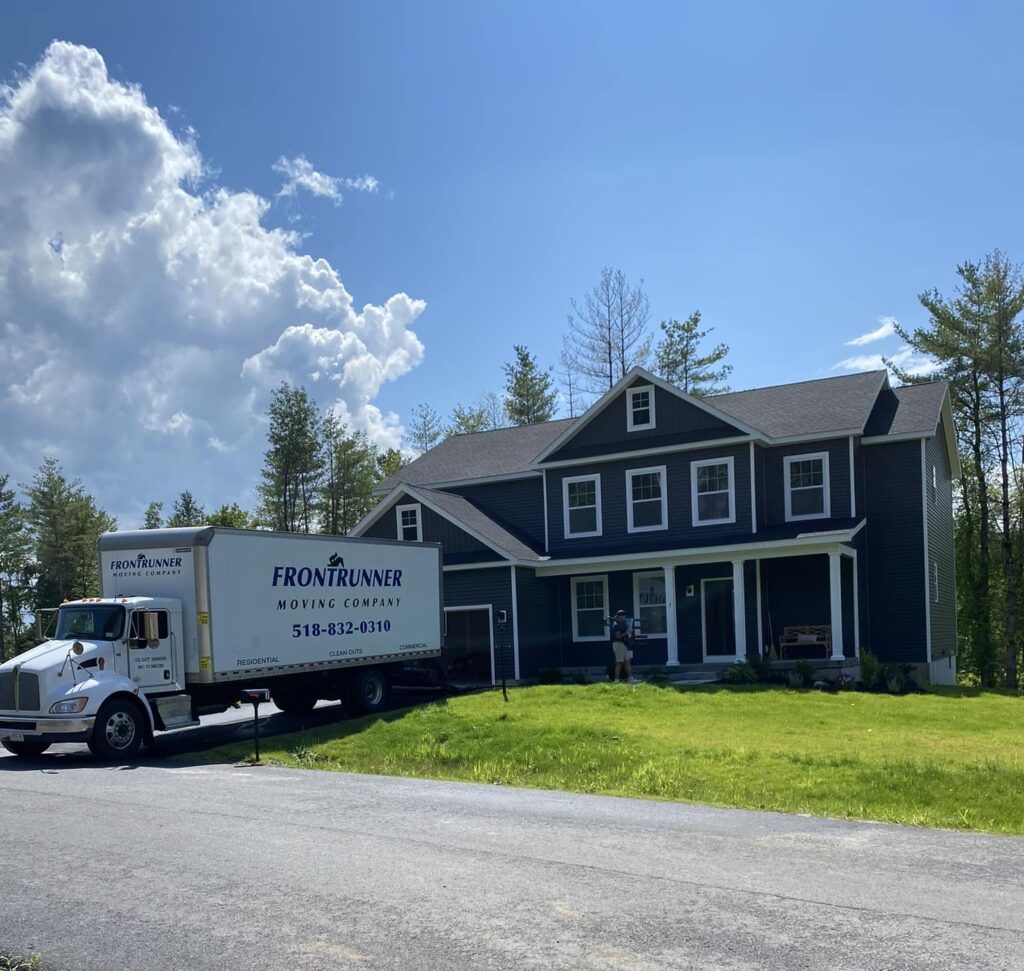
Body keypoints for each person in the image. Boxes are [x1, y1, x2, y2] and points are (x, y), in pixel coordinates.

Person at [609, 609, 637, 682]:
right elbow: (618, 636)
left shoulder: (622, 623)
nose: (624, 618)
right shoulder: (616, 625)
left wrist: (628, 631)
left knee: (628, 661)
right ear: (619, 616)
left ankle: (631, 679)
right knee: (619, 662)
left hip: (624, 644)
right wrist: (627, 632)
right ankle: (616, 680)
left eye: (624, 616)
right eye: (623, 616)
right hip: (618, 644)